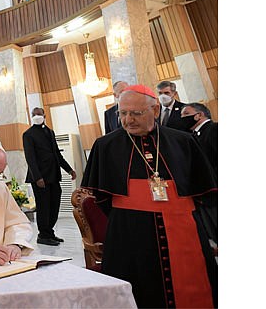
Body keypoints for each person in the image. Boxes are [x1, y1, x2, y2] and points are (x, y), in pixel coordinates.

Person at [81, 85, 217, 308]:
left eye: (136, 113)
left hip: (184, 231)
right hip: (129, 234)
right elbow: (101, 198)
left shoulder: (183, 141)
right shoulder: (105, 146)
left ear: (154, 110)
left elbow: (202, 189)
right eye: (123, 113)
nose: (128, 120)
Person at [22, 108, 76, 246]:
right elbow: (30, 158)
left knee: (54, 204)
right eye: (34, 114)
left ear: (44, 116)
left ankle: (49, 231)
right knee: (44, 206)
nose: (37, 116)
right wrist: (38, 177)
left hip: (53, 175)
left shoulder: (49, 132)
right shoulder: (28, 134)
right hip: (40, 178)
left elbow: (57, 154)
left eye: (39, 114)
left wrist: (69, 169)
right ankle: (43, 235)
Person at [181, 102, 218, 245]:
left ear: (199, 115)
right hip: (205, 194)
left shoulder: (214, 129)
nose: (182, 118)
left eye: (186, 114)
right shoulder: (194, 136)